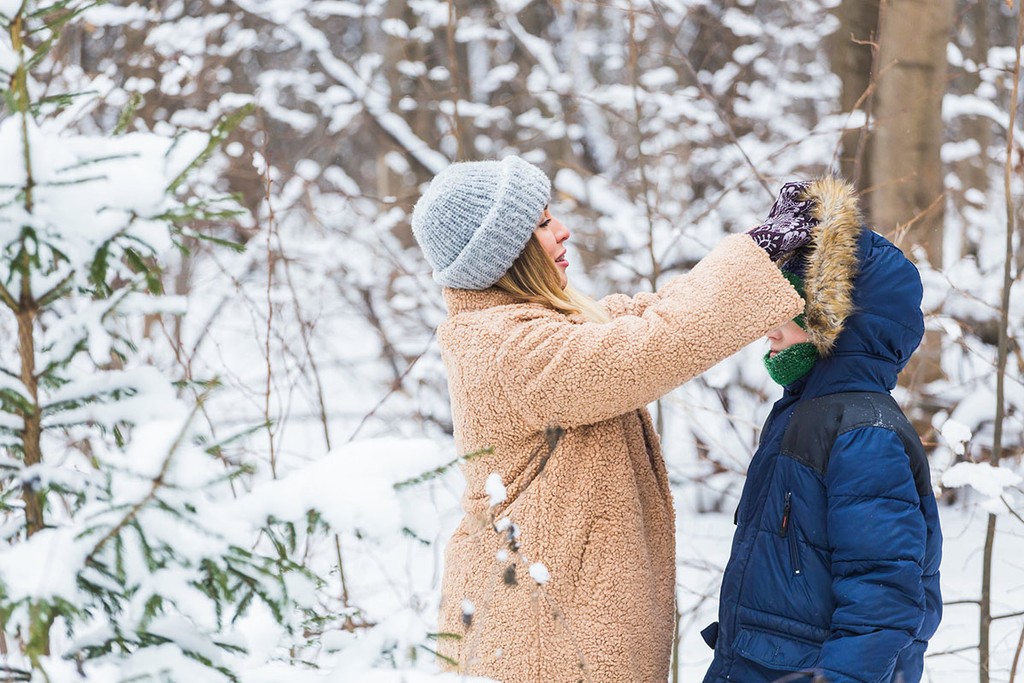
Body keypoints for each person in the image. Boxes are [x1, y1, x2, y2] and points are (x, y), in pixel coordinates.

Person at [411, 154, 815, 683]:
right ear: (502, 253)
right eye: (541, 224)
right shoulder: (504, 347)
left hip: (554, 617)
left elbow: (648, 314)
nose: (562, 231)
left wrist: (759, 251)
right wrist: (757, 254)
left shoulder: (533, 327)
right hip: (540, 639)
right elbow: (645, 349)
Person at [701, 177, 943, 683]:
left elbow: (882, 599)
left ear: (832, 324)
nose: (770, 329)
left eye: (787, 314)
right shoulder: (805, 411)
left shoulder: (863, 431)